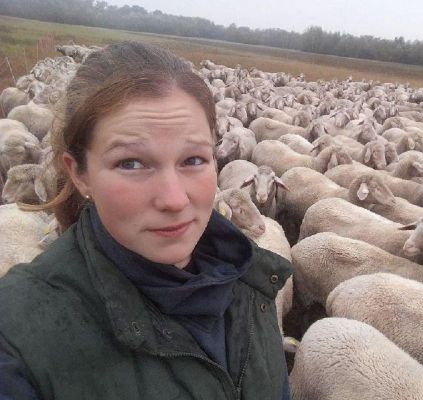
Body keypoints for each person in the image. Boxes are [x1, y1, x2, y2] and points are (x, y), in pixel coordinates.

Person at [0, 41, 292, 399]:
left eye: (194, 159)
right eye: (131, 163)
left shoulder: (254, 286)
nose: (173, 199)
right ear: (80, 174)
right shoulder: (15, 340)